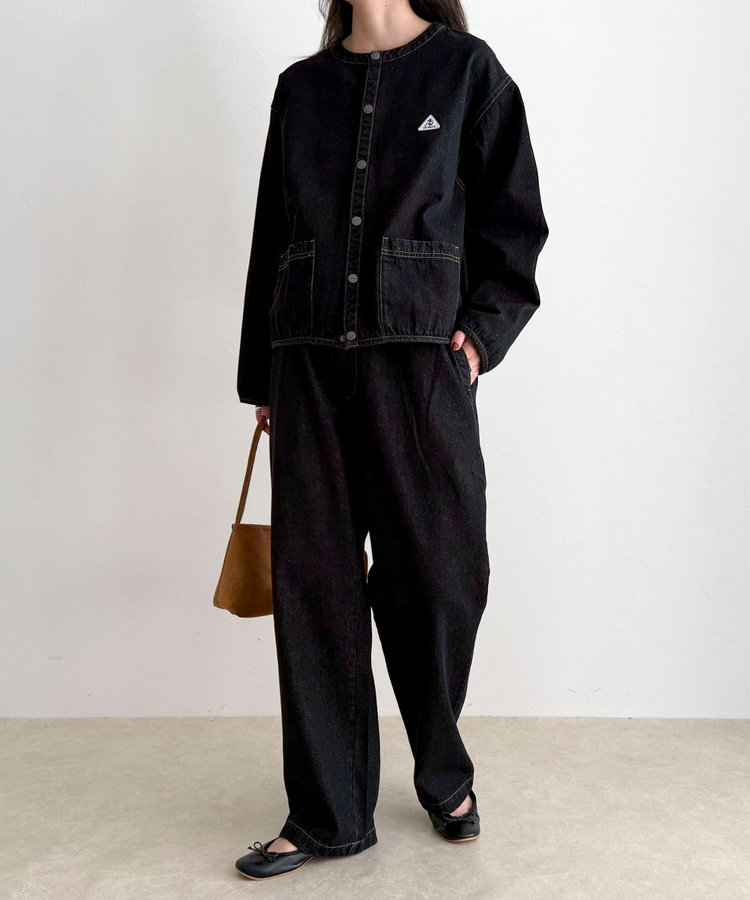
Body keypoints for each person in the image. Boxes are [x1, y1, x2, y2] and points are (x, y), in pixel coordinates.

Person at [233, 0, 549, 881]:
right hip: (307, 368)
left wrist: (481, 335)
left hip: (423, 366)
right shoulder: (300, 89)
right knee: (316, 590)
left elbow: (514, 221)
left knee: (442, 577)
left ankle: (442, 766)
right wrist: (262, 377)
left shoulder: (468, 73)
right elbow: (270, 235)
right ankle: (327, 814)